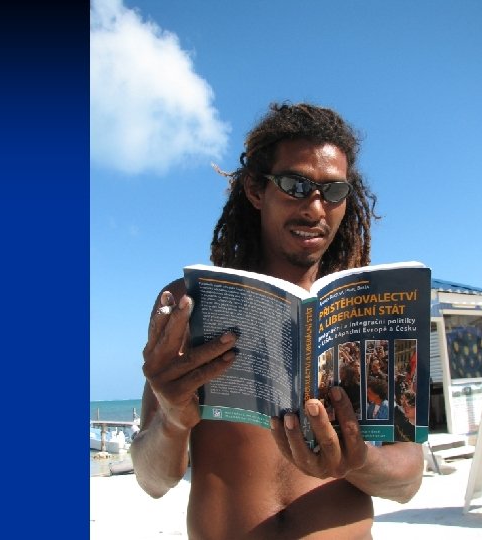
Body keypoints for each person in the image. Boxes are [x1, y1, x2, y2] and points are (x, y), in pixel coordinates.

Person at [132, 102, 424, 539]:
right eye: (295, 184)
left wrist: (357, 460)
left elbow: (408, 481)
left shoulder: (375, 310)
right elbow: (151, 480)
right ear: (256, 189)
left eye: (333, 191)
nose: (315, 208)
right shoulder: (190, 303)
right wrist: (173, 420)